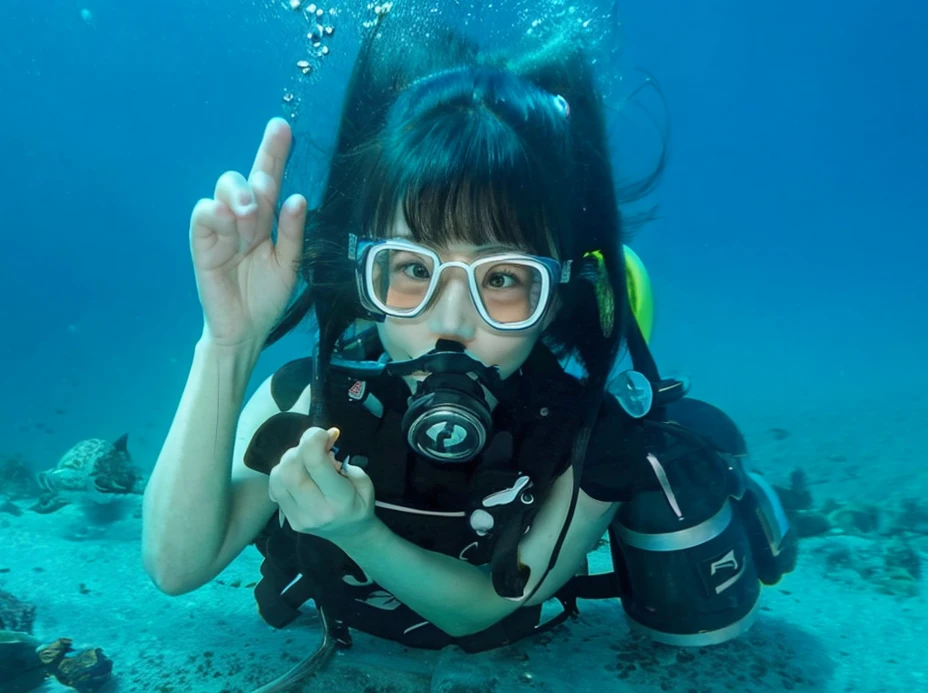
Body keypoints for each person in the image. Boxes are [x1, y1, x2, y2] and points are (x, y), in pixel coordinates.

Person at [142, 20, 795, 654]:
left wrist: (359, 532)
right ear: (365, 280)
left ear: (555, 296)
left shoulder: (591, 443)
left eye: (504, 278)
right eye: (413, 269)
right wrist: (228, 342)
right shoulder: (308, 400)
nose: (450, 321)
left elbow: (486, 608)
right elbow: (176, 566)